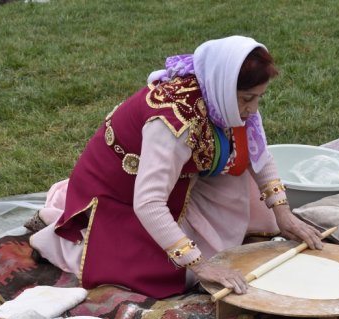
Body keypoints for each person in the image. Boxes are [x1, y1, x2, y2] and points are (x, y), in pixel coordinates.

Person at [29, 35, 323, 299]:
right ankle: (59, 238)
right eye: (248, 99)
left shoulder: (220, 92)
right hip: (121, 191)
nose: (254, 109)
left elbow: (256, 151)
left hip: (171, 176)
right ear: (225, 88)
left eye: (259, 98)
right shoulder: (173, 123)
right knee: (170, 272)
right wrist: (201, 265)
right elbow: (148, 203)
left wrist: (283, 213)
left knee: (243, 202)